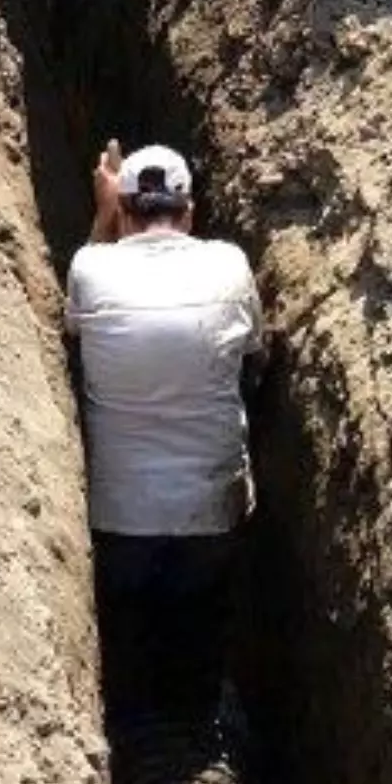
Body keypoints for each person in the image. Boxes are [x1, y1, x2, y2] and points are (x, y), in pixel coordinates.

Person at [64, 142, 263, 724]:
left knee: (127, 643)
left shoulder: (90, 265)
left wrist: (102, 217)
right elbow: (258, 355)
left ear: (122, 207)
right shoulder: (230, 263)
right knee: (199, 633)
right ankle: (201, 713)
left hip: (118, 517)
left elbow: (74, 333)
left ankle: (130, 726)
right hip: (212, 514)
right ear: (189, 210)